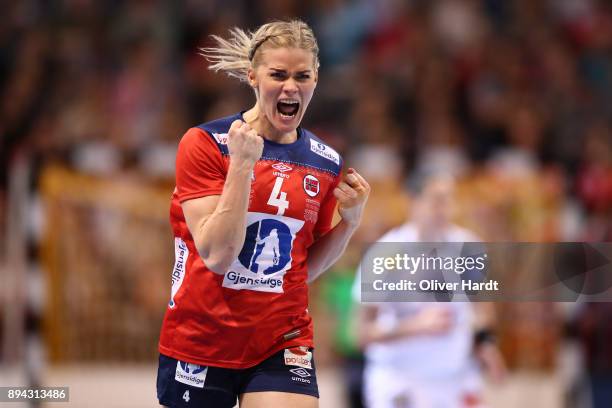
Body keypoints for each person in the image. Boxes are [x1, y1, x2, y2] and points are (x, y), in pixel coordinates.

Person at [156, 20, 370, 408]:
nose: (291, 87)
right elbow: (218, 256)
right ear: (253, 76)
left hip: (281, 340)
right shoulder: (206, 144)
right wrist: (242, 166)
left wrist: (349, 224)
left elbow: (301, 269)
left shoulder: (326, 163)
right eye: (279, 75)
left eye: (302, 76)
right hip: (202, 338)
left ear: (316, 79)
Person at [354, 173, 505, 408]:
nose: (444, 210)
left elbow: (483, 309)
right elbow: (361, 334)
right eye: (436, 201)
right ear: (413, 202)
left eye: (449, 201)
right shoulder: (385, 254)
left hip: (455, 378)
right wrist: (414, 326)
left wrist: (486, 344)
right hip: (400, 380)